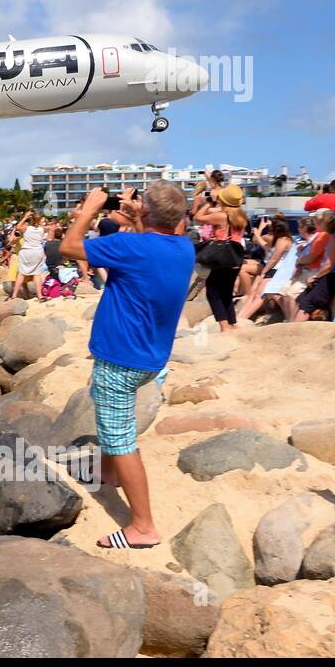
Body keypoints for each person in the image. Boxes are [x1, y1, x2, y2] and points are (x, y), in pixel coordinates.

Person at [58, 181, 195, 550]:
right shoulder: (183, 248)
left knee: (121, 439)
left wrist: (89, 208)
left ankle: (143, 526)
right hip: (151, 357)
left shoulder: (130, 246)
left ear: (147, 213)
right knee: (112, 421)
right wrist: (139, 218)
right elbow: (150, 247)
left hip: (121, 357)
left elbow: (69, 248)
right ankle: (106, 473)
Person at [192, 183, 248, 332]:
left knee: (213, 292)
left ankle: (224, 326)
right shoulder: (241, 215)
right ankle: (232, 323)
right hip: (235, 257)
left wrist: (210, 201)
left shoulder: (223, 216)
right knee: (227, 293)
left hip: (221, 258)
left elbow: (197, 217)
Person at [293, 212, 335, 322]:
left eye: (320, 220)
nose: (317, 222)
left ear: (327, 223)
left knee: (307, 303)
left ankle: (292, 331)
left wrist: (316, 276)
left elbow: (330, 264)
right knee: (301, 299)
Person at [10, 211, 48, 300]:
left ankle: (14, 295)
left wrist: (25, 217)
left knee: (21, 273)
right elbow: (40, 224)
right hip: (38, 251)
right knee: (37, 274)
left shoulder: (26, 228)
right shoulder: (41, 229)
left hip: (27, 251)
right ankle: (40, 296)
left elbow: (17, 227)